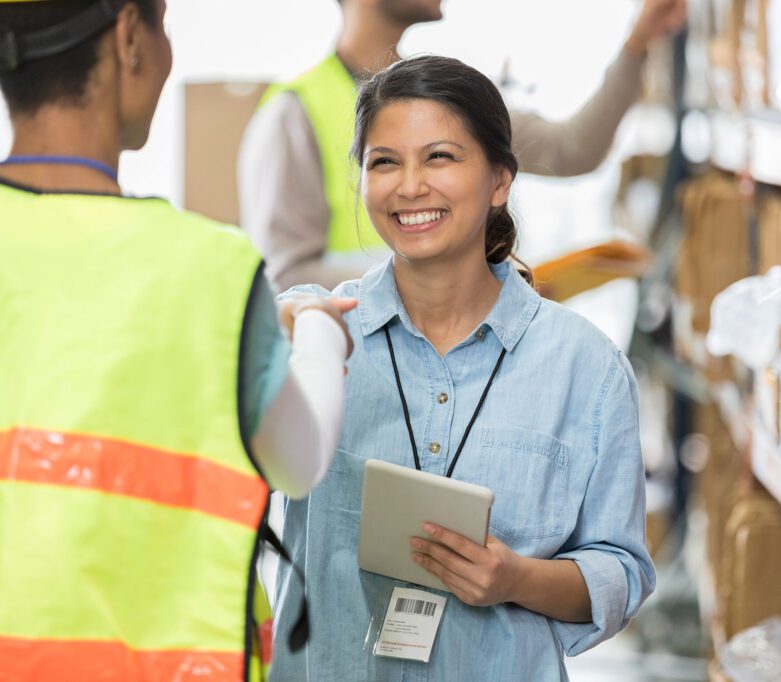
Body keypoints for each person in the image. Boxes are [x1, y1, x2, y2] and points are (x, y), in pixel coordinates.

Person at [270, 54, 655, 681]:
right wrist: (261, 347)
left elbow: (622, 570)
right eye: (384, 162)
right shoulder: (313, 335)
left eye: (440, 157)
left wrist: (516, 578)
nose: (410, 185)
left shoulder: (585, 366)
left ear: (500, 181)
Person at [0, 1, 354, 679]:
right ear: (129, 36)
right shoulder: (208, 272)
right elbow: (299, 459)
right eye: (163, 24)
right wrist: (317, 329)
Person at [238, 0, 688, 291]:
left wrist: (638, 42)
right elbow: (286, 279)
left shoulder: (453, 96)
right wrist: (453, 284)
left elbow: (571, 149)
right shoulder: (294, 113)